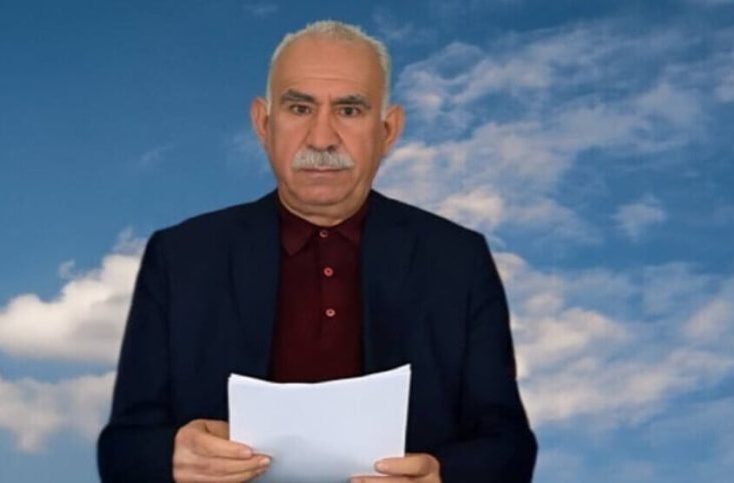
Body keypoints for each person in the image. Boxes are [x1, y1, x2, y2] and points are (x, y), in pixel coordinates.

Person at [98, 20, 537, 482]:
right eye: (299, 107)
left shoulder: (459, 259)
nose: (322, 138)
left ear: (388, 130)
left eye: (349, 110)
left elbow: (508, 444)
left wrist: (442, 476)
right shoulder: (179, 257)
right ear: (263, 123)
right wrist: (171, 458)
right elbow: (121, 447)